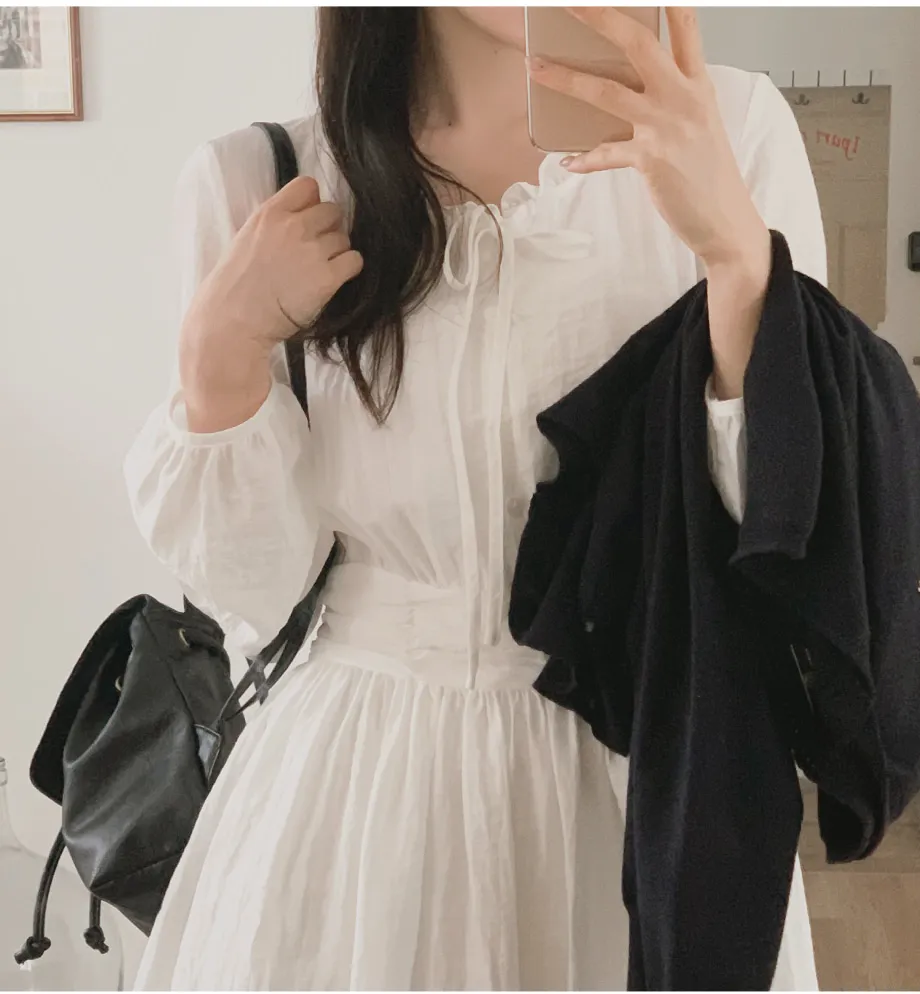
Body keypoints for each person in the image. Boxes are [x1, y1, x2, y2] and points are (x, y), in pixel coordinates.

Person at [125, 7, 826, 990]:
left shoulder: (731, 127)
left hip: (644, 786)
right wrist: (220, 356)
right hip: (358, 805)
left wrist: (738, 261)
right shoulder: (261, 179)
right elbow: (259, 590)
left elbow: (785, 527)